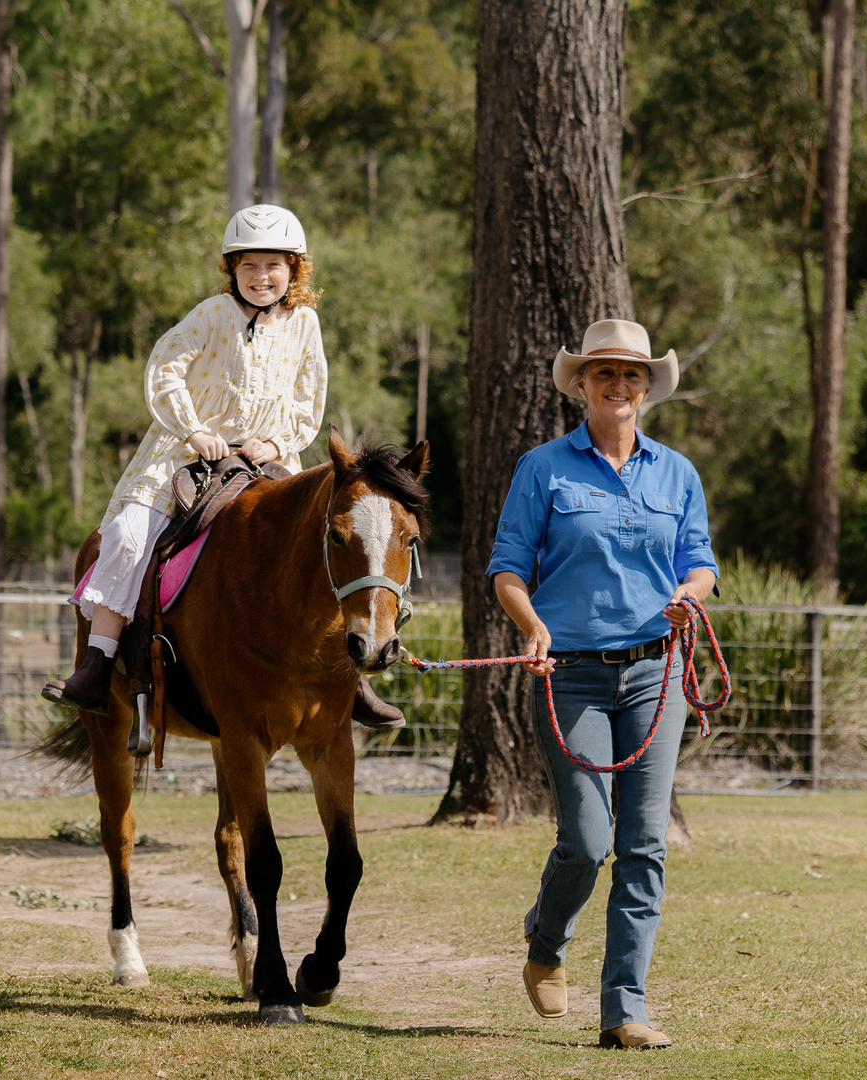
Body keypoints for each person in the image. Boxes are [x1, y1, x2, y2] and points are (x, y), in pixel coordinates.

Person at [41, 204, 403, 727]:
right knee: (125, 536)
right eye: (248, 266)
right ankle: (97, 663)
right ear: (232, 269)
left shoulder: (305, 323)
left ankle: (353, 679)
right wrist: (193, 429)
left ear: (294, 269)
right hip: (187, 456)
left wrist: (275, 443)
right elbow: (165, 368)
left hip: (267, 460)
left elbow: (309, 400)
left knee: (324, 543)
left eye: (273, 265)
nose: (261, 277)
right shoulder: (211, 315)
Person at [486, 319, 719, 1051]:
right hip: (571, 678)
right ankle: (546, 939)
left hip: (659, 673)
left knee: (644, 843)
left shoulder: (677, 472)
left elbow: (701, 560)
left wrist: (691, 592)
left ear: (647, 388)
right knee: (588, 841)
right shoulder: (544, 469)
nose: (619, 386)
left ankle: (624, 1010)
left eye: (632, 376)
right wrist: (531, 624)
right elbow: (507, 567)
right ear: (581, 385)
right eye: (604, 374)